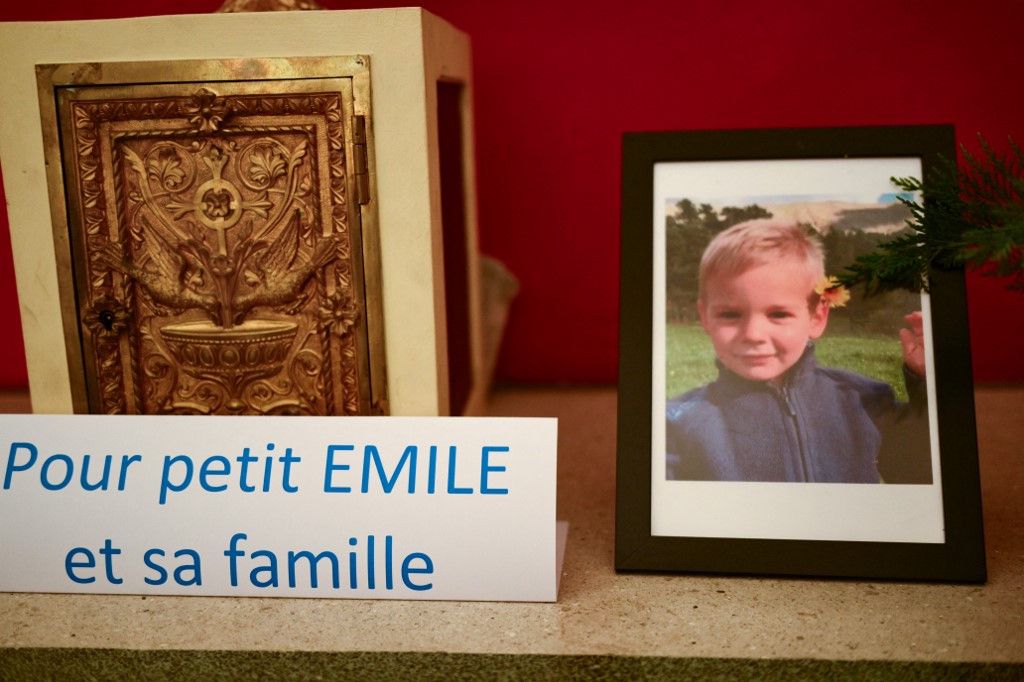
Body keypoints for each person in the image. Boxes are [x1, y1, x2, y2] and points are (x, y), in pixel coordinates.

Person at [665, 219, 932, 483]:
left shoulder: (864, 400)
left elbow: (920, 473)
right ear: (705, 316)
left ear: (817, 317)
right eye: (730, 314)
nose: (753, 334)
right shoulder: (677, 425)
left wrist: (926, 380)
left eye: (778, 314)